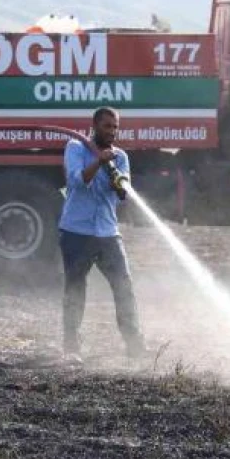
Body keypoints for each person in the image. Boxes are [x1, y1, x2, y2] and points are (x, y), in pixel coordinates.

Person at [57, 106, 148, 362]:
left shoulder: (121, 157)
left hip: (108, 232)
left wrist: (118, 182)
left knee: (124, 286)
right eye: (107, 126)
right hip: (76, 231)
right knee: (75, 288)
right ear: (95, 126)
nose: (112, 132)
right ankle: (71, 347)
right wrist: (99, 161)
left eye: (116, 127)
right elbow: (76, 181)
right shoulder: (75, 148)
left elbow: (122, 193)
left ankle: (134, 345)